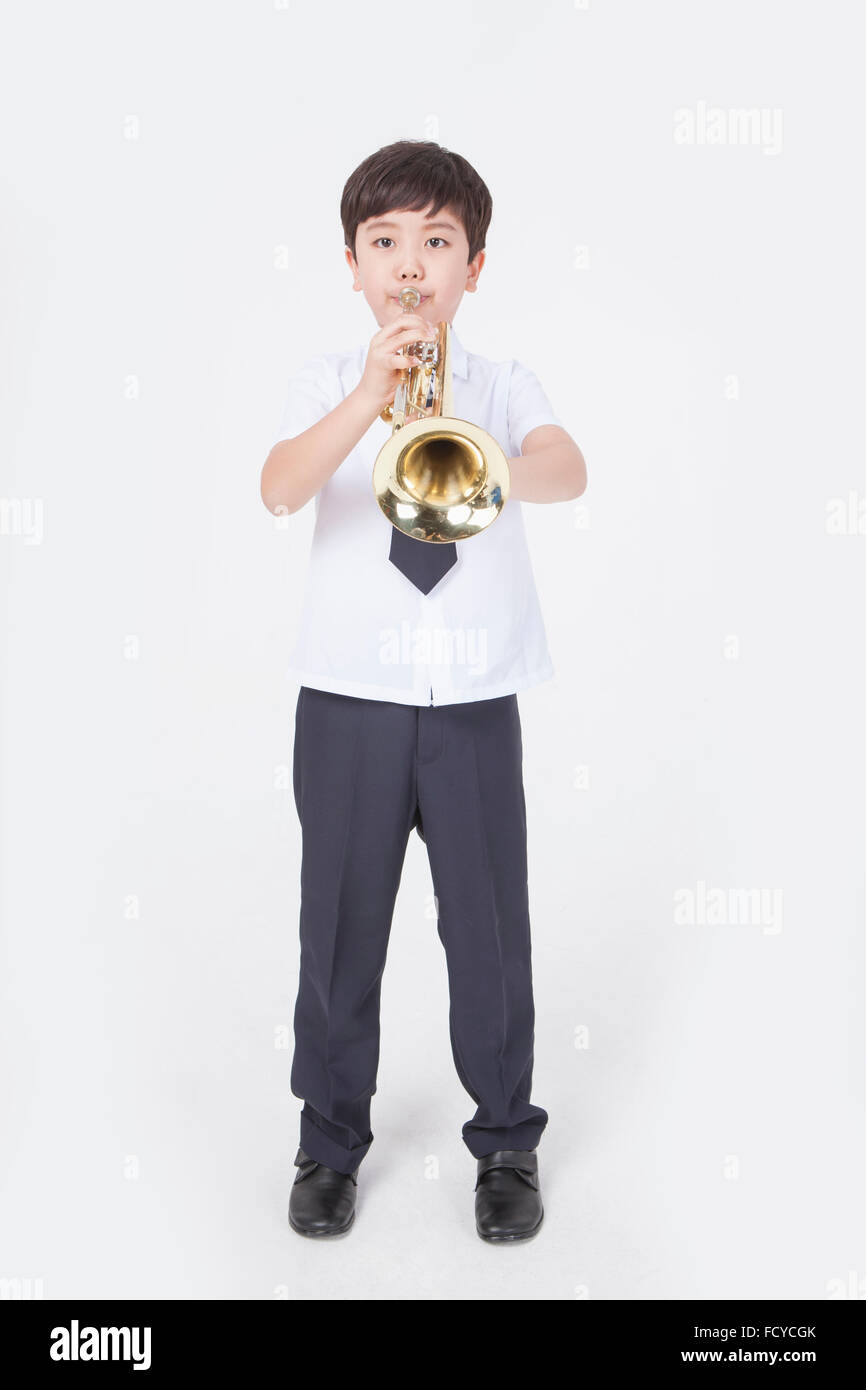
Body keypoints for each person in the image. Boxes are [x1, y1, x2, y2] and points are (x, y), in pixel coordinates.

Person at [260, 140, 587, 1242]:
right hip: (348, 701)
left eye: (436, 242)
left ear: (474, 267)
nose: (412, 264)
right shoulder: (326, 381)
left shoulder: (498, 384)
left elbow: (565, 469)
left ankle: (504, 1143)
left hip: (474, 699)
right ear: (352, 264)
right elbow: (279, 487)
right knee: (340, 927)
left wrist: (478, 444)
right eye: (386, 242)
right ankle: (327, 1140)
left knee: (488, 930)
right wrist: (368, 396)